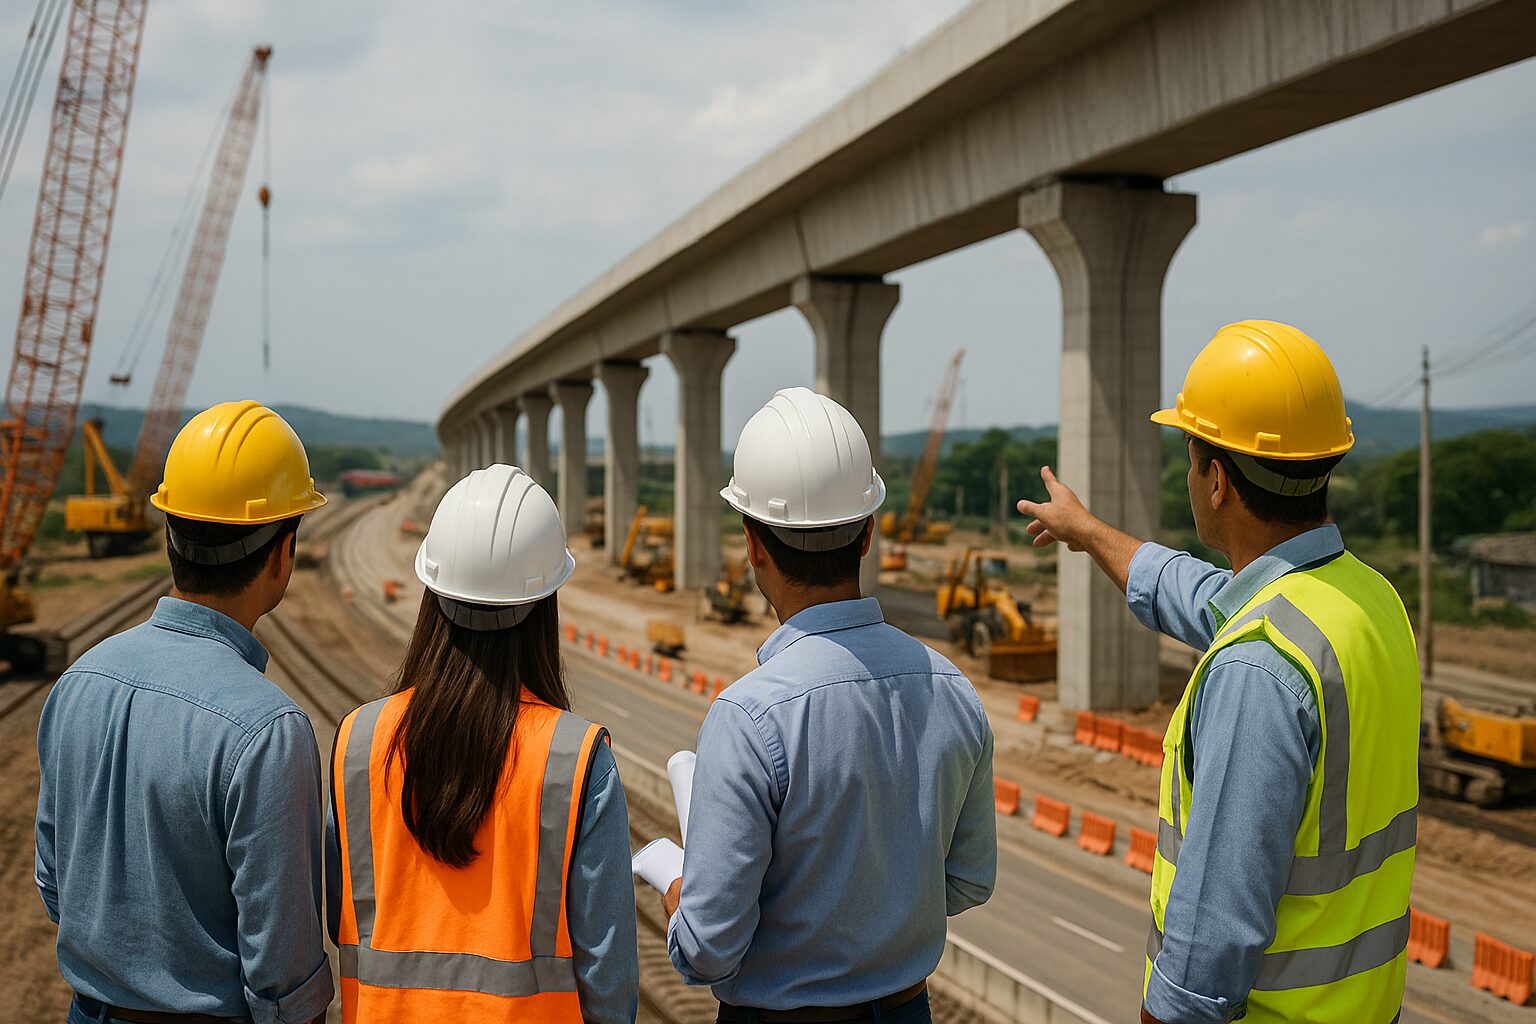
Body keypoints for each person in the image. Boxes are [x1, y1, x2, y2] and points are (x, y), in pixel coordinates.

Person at [1018, 320, 1419, 1024]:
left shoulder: (1257, 670)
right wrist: (1089, 531)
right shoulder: (1365, 600)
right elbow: (1200, 595)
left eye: (1192, 454)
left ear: (1219, 482)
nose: (1188, 473)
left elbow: (1209, 947)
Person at [664, 387, 996, 1024]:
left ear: (753, 544)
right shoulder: (954, 690)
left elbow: (707, 951)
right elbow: (967, 881)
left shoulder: (750, 717)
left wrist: (678, 888)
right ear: (869, 534)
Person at [36, 400, 333, 1024]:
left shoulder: (77, 682)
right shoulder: (267, 732)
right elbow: (283, 974)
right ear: (282, 554)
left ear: (170, 535)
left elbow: (56, 883)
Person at [326, 463, 638, 1024]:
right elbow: (607, 980)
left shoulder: (359, 742)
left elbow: (335, 918)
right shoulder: (573, 759)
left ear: (430, 595)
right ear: (546, 603)